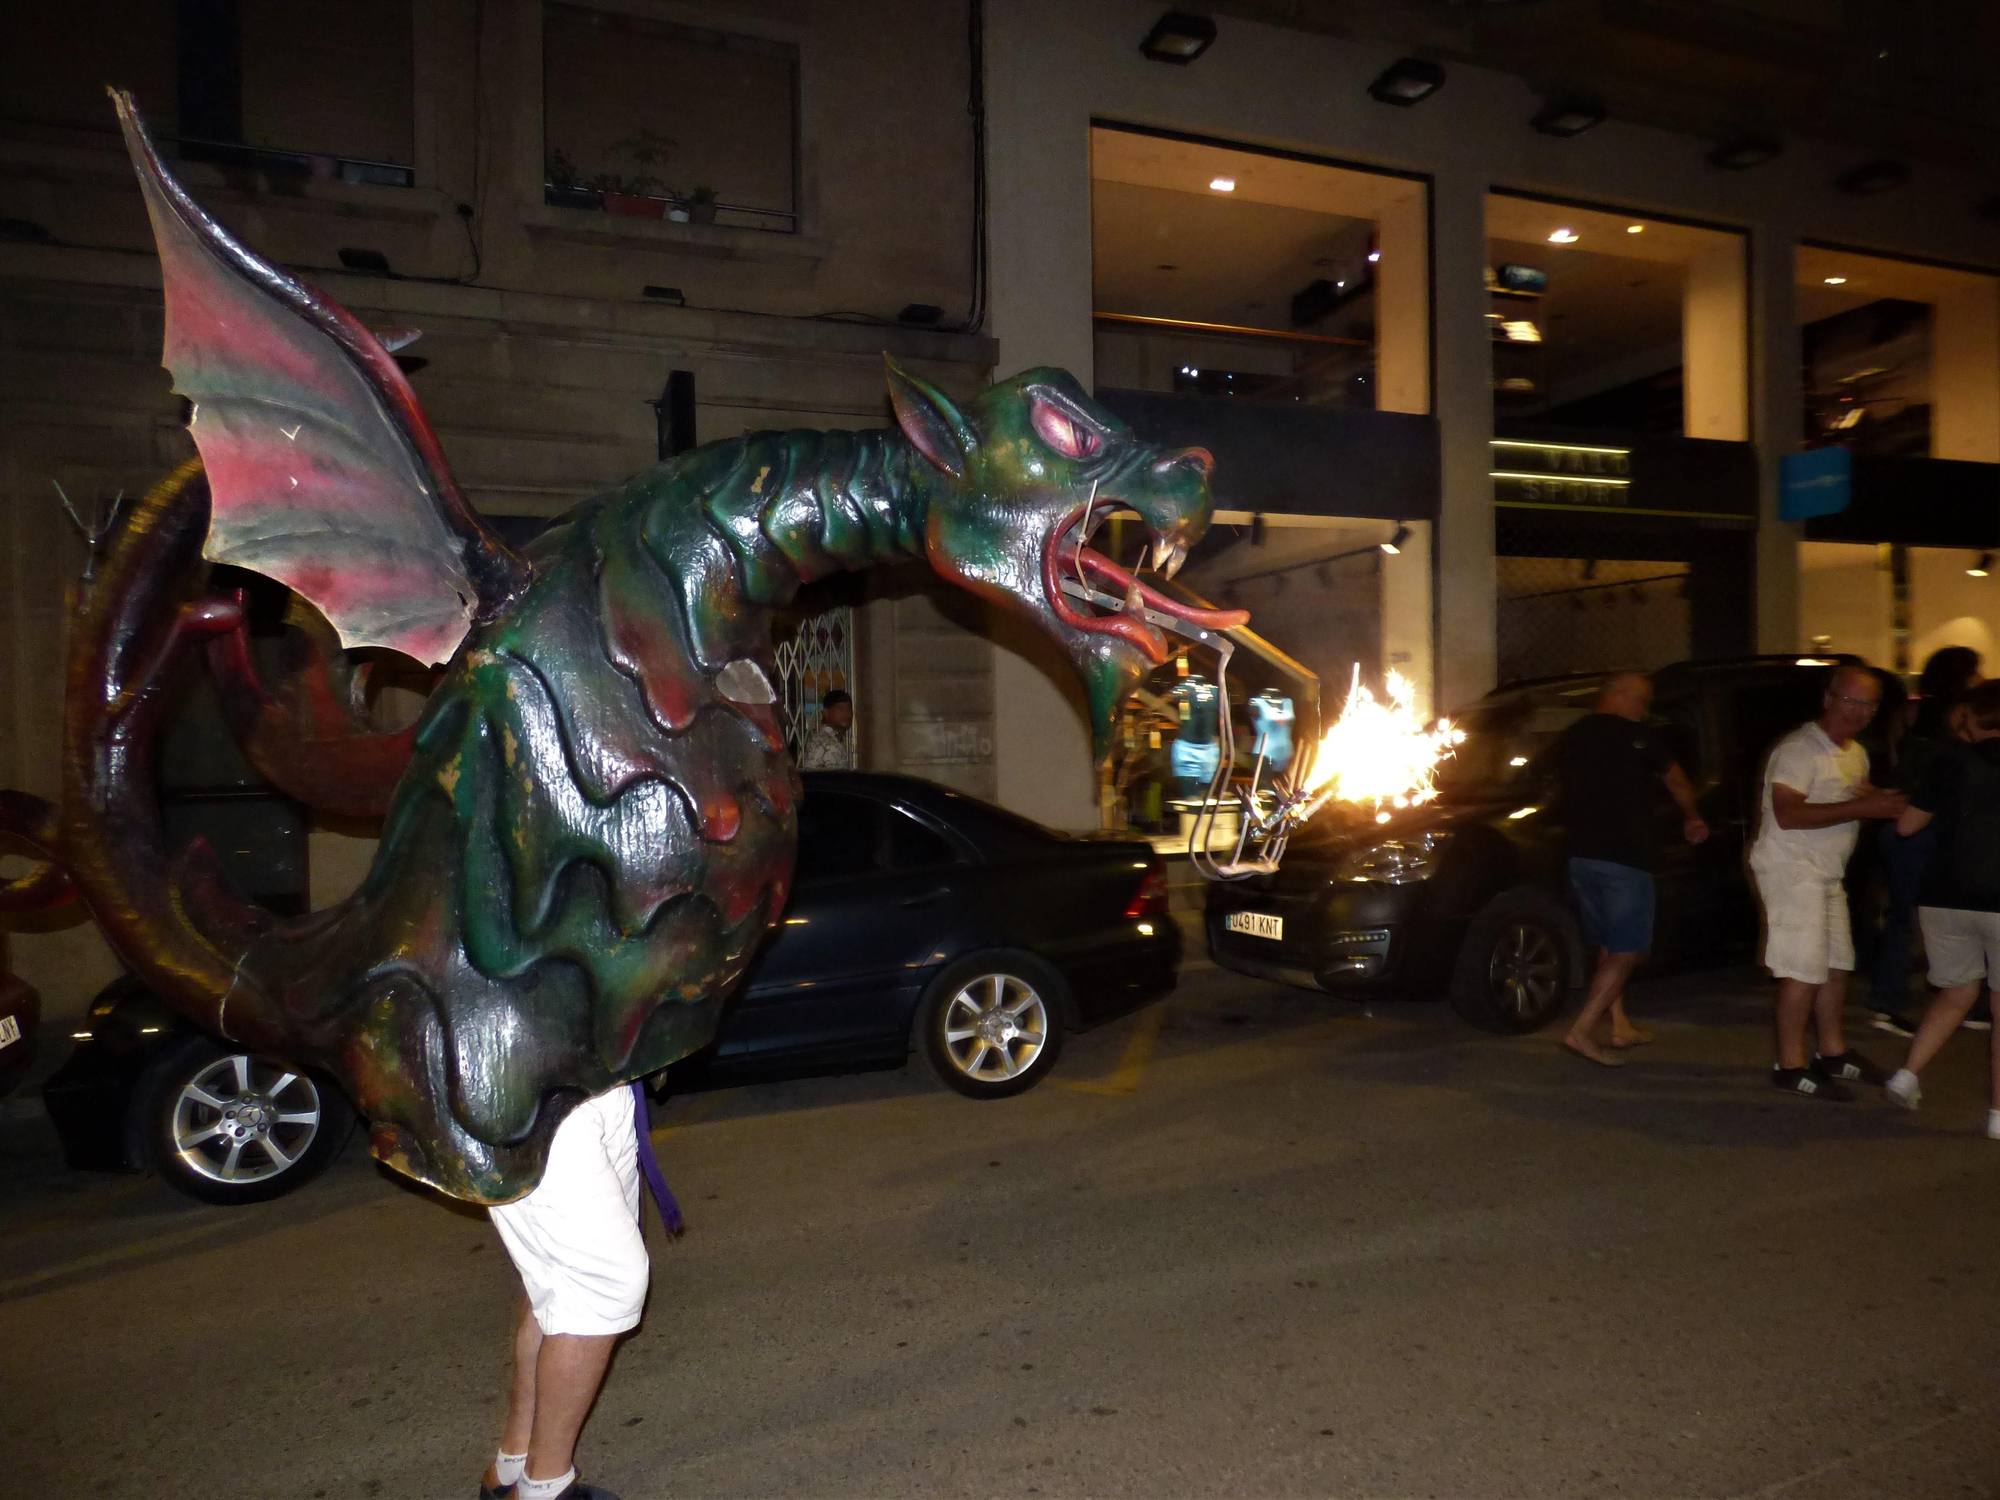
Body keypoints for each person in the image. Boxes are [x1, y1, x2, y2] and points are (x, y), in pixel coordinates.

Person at [479, 1088, 648, 1500]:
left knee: (557, 1279)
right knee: (603, 1285)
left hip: (604, 1071)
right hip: (528, 1087)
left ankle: (514, 1464)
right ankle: (544, 1486)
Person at [1750, 665, 1906, 1100]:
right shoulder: (1800, 749)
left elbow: (1859, 796)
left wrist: (1884, 801)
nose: (1859, 711)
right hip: (1791, 868)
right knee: (1803, 969)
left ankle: (1832, 1052)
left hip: (1826, 871)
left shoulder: (1854, 752)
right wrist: (1864, 809)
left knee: (1837, 963)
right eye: (1851, 700)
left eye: (1869, 704)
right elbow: (1788, 813)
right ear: (1828, 698)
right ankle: (1790, 1063)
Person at [1554, 671, 1709, 1066]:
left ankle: (1620, 1025)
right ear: (1618, 696)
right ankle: (1583, 1030)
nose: (1644, 709)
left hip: (1582, 857)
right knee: (1628, 950)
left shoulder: (1571, 736)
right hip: (1626, 858)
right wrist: (1692, 817)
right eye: (1641, 701)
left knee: (1608, 943)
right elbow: (1675, 780)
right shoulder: (1640, 738)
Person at [1882, 679, 2000, 1138]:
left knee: (1955, 992)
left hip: (1944, 897)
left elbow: (1908, 826)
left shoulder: (1949, 763)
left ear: (1971, 715)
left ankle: (1908, 1073)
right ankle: (1997, 1116)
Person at [1871, 646, 1983, 1037]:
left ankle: (1904, 998)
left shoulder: (1911, 710)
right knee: (1921, 918)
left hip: (1900, 816)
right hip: (1922, 823)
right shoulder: (1960, 718)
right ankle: (1892, 1001)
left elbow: (1893, 756)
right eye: (1975, 672)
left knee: (1908, 915)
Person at [797, 688, 855, 770]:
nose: (846, 713)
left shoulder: (834, 739)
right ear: (826, 713)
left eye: (848, 709)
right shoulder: (825, 742)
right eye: (840, 709)